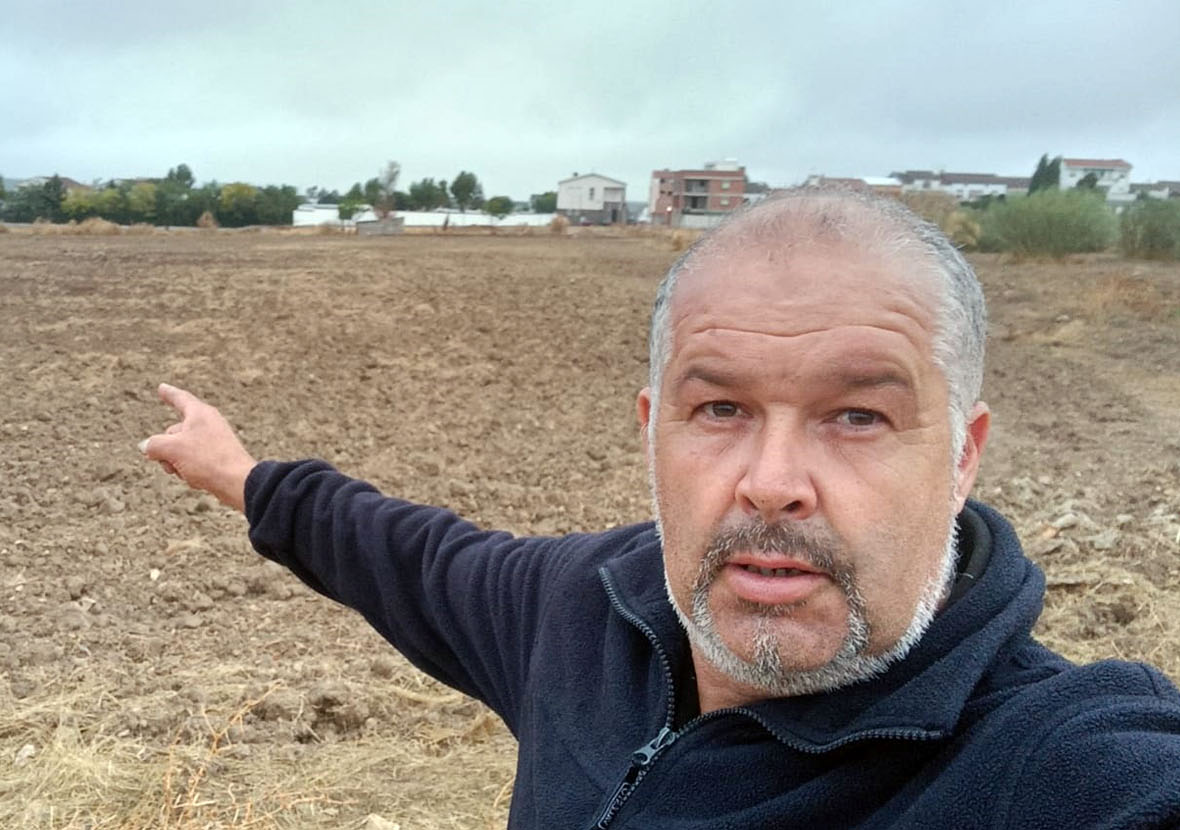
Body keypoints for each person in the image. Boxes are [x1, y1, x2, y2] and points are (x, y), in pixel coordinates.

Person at [139, 189, 1180, 828]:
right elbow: (408, 554)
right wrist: (243, 474)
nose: (772, 478)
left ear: (962, 455)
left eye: (857, 414)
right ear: (653, 429)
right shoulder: (584, 611)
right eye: (719, 406)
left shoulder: (1050, 761)